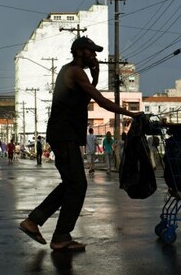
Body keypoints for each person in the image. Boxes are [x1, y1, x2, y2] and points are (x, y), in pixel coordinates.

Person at [19, 36, 141, 252]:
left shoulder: (78, 74)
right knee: (77, 184)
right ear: (79, 52)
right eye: (91, 51)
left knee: (71, 183)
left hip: (65, 134)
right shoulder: (74, 71)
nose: (95, 55)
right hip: (63, 134)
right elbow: (101, 101)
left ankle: (39, 223)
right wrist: (131, 113)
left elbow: (84, 98)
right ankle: (58, 234)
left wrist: (95, 78)